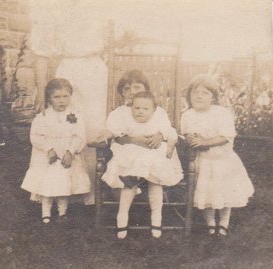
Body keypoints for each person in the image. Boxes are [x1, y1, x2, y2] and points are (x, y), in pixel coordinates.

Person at [29, 0, 108, 204]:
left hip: (96, 73)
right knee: (61, 126)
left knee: (92, 128)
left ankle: (89, 190)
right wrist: (41, 93)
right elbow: (41, 53)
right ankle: (55, 188)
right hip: (69, 72)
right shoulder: (51, 8)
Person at [100, 89, 183, 239]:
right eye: (136, 108)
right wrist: (108, 135)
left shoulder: (158, 121)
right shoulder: (128, 121)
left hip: (154, 157)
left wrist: (169, 145)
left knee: (156, 182)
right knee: (129, 181)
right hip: (133, 157)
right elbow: (116, 133)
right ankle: (122, 217)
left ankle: (156, 219)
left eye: (145, 109)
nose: (140, 112)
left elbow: (172, 134)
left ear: (153, 110)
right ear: (131, 108)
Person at [181, 74, 254, 237]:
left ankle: (223, 223)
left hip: (223, 160)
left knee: (224, 191)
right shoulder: (188, 115)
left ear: (213, 98)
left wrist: (205, 142)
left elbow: (226, 136)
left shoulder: (220, 113)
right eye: (195, 92)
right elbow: (188, 135)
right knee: (208, 191)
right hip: (204, 160)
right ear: (189, 96)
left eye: (205, 93)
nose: (199, 96)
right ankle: (210, 223)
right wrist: (192, 140)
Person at [21, 78, 90, 223]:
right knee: (47, 183)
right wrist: (48, 149)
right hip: (48, 158)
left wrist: (70, 151)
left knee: (63, 183)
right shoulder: (43, 117)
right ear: (49, 98)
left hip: (66, 156)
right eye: (56, 97)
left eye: (65, 96)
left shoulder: (75, 116)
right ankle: (45, 212)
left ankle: (62, 212)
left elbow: (79, 137)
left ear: (71, 96)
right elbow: (36, 136)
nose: (61, 101)